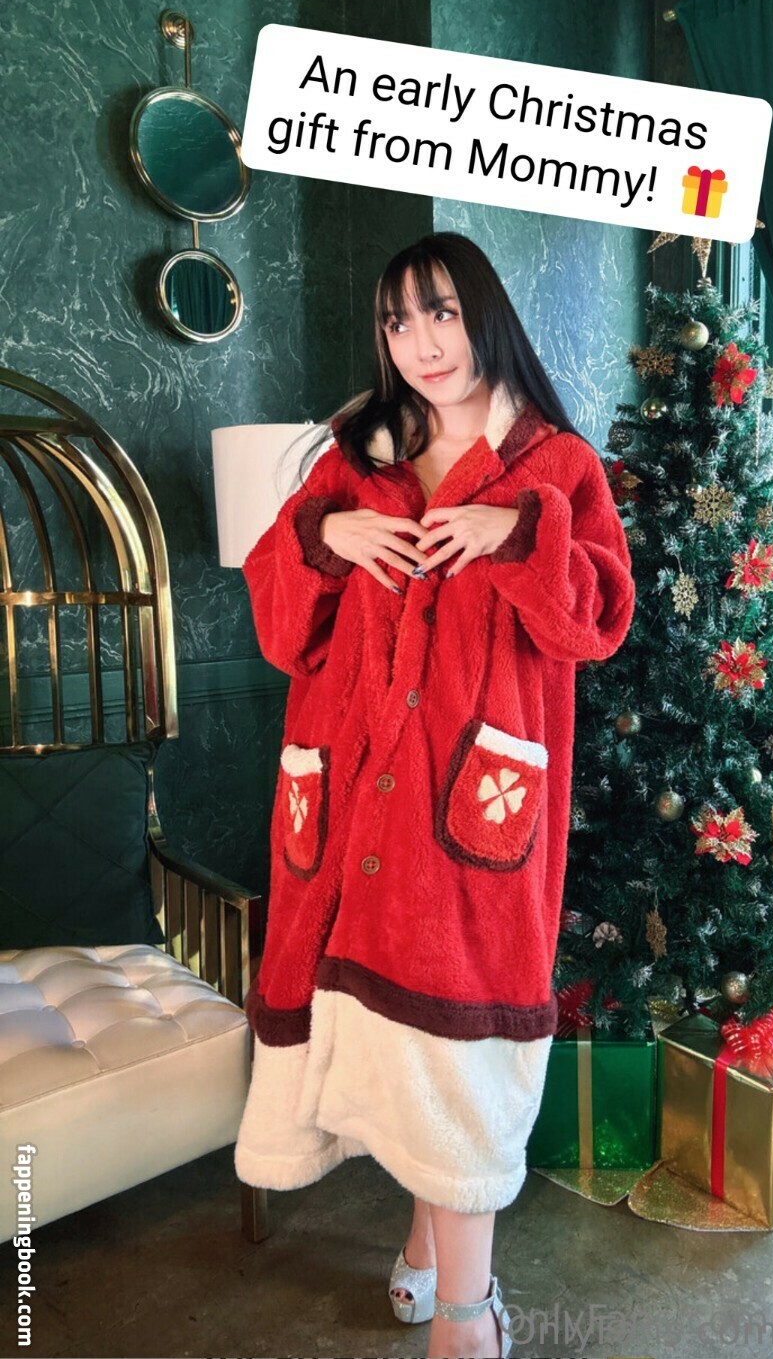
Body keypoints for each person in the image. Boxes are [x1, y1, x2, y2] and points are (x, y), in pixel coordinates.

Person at [233, 231, 636, 1359]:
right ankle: (427, 1243)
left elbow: (601, 617)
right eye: (398, 321)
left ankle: (469, 1309)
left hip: (472, 813)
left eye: (442, 311)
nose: (421, 342)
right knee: (393, 1047)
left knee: (454, 1047)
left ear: (485, 313)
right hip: (353, 797)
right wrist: (322, 535)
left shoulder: (556, 466)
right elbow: (280, 624)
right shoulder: (357, 459)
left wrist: (521, 533)